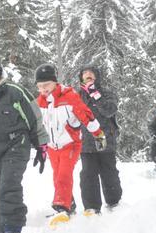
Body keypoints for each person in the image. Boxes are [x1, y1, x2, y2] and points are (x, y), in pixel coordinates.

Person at [0, 42, 49, 233]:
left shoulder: (14, 92)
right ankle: (3, 229)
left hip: (17, 144)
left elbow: (34, 117)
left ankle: (12, 232)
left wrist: (41, 145)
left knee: (8, 185)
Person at [34, 63, 106, 221]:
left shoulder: (69, 96)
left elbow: (86, 115)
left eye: (46, 85)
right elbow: (35, 125)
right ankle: (70, 203)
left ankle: (61, 207)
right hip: (53, 146)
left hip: (70, 144)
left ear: (55, 82)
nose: (43, 89)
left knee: (64, 176)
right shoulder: (39, 102)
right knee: (57, 176)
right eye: (40, 86)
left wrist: (98, 133)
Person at [76, 65, 122, 214]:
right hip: (86, 141)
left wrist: (96, 95)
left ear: (97, 76)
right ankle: (91, 207)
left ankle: (114, 202)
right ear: (81, 77)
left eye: (91, 73)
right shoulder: (77, 95)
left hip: (106, 138)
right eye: (85, 73)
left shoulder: (107, 93)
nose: (88, 75)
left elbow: (110, 110)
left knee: (109, 172)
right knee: (88, 174)